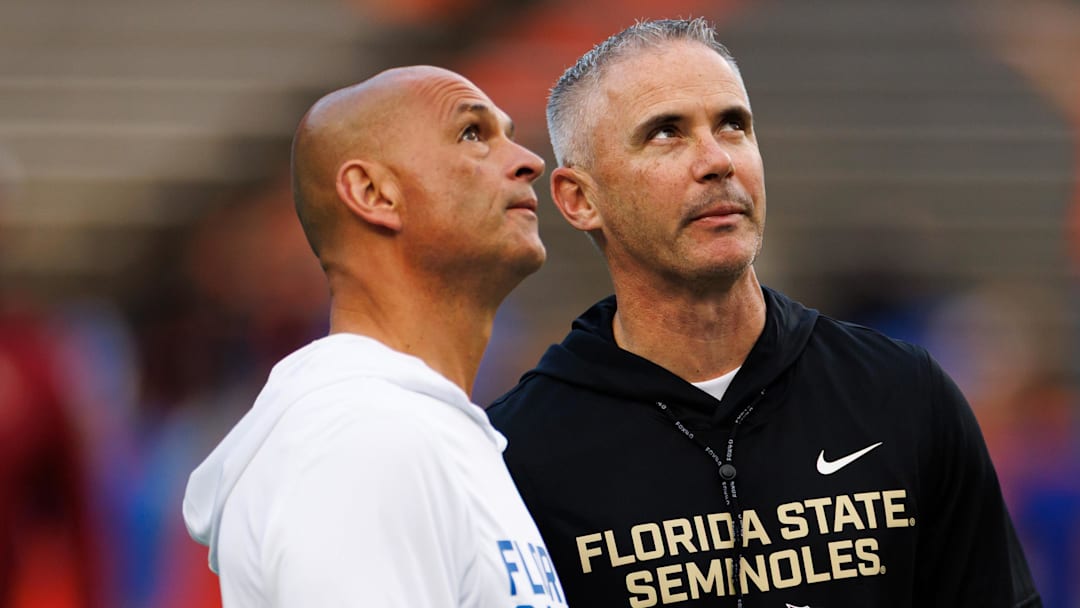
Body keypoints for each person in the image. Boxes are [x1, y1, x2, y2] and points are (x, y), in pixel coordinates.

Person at [487, 18, 1041, 608]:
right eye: (666, 133)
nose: (717, 160)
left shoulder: (903, 393)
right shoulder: (518, 454)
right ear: (579, 199)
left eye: (733, 125)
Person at [183, 66, 568, 608]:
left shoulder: (422, 430)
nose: (528, 160)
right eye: (473, 135)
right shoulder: (360, 439)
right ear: (373, 193)